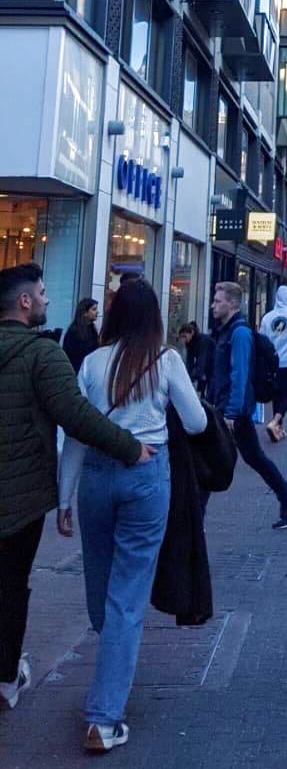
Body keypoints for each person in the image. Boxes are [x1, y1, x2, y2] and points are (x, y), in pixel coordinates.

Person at [56, 278, 206, 752]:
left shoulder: (92, 362)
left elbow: (76, 434)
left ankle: (112, 666)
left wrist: (63, 497)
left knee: (102, 586)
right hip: (146, 476)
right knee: (127, 594)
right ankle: (104, 717)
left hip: (96, 477)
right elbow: (197, 422)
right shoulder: (166, 360)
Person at [0, 264, 148, 716]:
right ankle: (5, 677)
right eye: (42, 293)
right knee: (10, 585)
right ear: (24, 301)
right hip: (19, 495)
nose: (47, 300)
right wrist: (129, 447)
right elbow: (76, 415)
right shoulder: (42, 354)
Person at [208, 282, 287, 530]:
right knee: (251, 458)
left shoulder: (238, 333)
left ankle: (193, 518)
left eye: (218, 301)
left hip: (232, 411)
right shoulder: (228, 331)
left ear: (233, 304)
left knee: (210, 460)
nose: (213, 305)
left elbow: (240, 373)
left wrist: (231, 411)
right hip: (230, 408)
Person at [259, 286, 287, 443]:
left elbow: (262, 339)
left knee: (277, 395)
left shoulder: (267, 317)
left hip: (272, 363)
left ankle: (278, 427)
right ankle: (274, 422)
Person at [62, 298, 100, 374]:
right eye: (94, 309)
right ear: (85, 313)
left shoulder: (92, 329)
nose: (97, 312)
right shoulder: (74, 331)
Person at [178, 321, 215, 397]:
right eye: (182, 337)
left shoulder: (203, 340)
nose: (184, 339)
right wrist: (187, 376)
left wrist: (193, 376)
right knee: (202, 389)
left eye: (185, 336)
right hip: (205, 364)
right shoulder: (190, 343)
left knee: (210, 390)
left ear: (192, 333)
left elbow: (201, 360)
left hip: (213, 365)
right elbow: (189, 361)